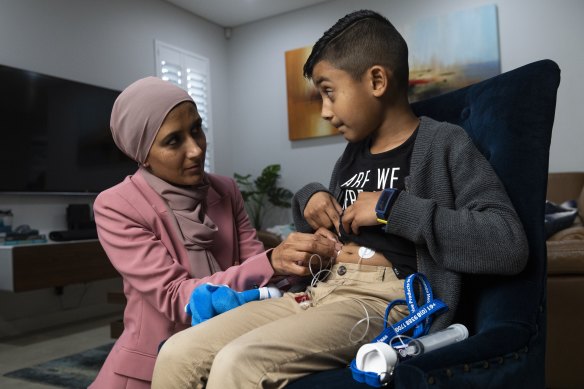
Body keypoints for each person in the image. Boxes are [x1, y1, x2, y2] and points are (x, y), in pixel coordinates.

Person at [151, 9, 529, 388]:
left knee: (239, 362)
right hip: (321, 292)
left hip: (384, 301)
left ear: (377, 80)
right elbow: (324, 229)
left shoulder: (444, 144)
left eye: (329, 92)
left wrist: (389, 208)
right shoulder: (351, 156)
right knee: (178, 352)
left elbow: (508, 243)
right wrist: (310, 198)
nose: (325, 111)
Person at [88, 77, 338, 388]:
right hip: (159, 366)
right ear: (142, 154)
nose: (195, 150)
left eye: (196, 129)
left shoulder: (225, 189)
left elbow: (258, 269)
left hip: (235, 351)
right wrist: (272, 262)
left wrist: (302, 260)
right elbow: (175, 297)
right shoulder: (117, 205)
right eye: (173, 141)